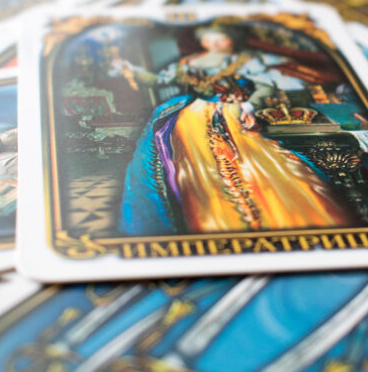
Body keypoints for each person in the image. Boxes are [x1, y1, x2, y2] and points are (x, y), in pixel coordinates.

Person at [110, 24, 352, 235]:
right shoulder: (187, 63)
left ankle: (277, 210)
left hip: (236, 110)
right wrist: (130, 69)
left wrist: (249, 106)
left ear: (231, 40)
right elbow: (157, 80)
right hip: (195, 113)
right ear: (202, 40)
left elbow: (264, 87)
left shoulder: (245, 60)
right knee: (195, 156)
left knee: (255, 155)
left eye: (221, 38)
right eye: (209, 38)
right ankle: (213, 211)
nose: (215, 43)